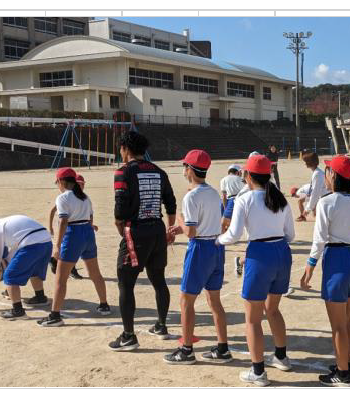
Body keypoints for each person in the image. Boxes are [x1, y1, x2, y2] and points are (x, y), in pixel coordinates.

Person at [218, 153, 295, 386]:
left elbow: (234, 235)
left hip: (260, 255)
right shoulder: (280, 198)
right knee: (272, 310)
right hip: (282, 252)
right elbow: (290, 234)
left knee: (252, 319)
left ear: (248, 176)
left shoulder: (245, 199)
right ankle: (281, 356)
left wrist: (217, 240)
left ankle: (258, 371)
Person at [162, 150, 233, 365]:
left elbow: (191, 230)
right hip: (216, 246)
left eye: (185, 166)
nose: (184, 170)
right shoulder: (212, 192)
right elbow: (208, 223)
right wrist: (181, 227)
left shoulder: (191, 196)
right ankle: (222, 348)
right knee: (214, 301)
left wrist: (181, 223)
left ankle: (186, 350)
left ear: (190, 170)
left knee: (186, 300)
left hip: (200, 248)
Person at [109, 131, 177, 351]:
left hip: (135, 231)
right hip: (157, 230)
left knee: (126, 283)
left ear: (125, 149)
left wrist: (121, 228)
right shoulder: (158, 171)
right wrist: (169, 229)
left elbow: (120, 207)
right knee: (158, 279)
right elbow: (171, 202)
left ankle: (128, 336)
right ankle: (161, 325)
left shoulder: (123, 172)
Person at [307, 155, 350, 387]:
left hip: (337, 260)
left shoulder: (327, 202)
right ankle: (348, 365)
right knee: (348, 320)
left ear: (334, 175)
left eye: (328, 171)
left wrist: (310, 266)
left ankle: (342, 374)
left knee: (338, 325)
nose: (326, 174)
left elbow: (319, 238)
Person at [37, 167, 112, 326]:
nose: (57, 184)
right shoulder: (85, 197)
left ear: (62, 181)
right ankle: (104, 305)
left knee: (60, 278)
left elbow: (64, 221)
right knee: (95, 273)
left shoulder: (62, 198)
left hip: (73, 234)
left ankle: (55, 315)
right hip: (87, 233)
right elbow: (91, 217)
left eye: (57, 181)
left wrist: (57, 245)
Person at [0, 214, 54, 320]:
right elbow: (15, 250)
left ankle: (18, 311)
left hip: (31, 244)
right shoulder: (7, 223)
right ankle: (40, 297)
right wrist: (8, 262)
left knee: (9, 276)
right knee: (34, 271)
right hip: (46, 241)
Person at [295, 152, 326, 222]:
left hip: (324, 201)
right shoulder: (317, 172)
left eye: (306, 161)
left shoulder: (317, 174)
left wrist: (307, 209)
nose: (305, 163)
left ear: (310, 162)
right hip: (322, 199)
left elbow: (315, 193)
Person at [219, 164, 244, 232]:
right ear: (238, 172)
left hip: (230, 199)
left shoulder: (223, 180)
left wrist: (225, 208)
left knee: (223, 223)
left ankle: (222, 236)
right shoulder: (241, 179)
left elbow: (224, 196)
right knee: (225, 222)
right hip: (239, 200)